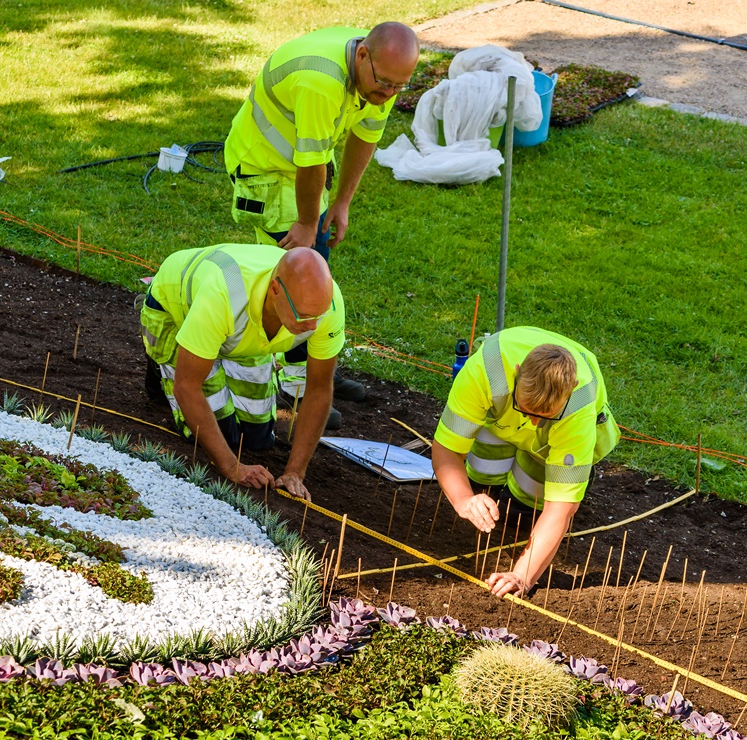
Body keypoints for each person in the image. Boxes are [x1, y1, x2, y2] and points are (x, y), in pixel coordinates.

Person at [224, 22, 419, 411]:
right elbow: (310, 165)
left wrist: (342, 203)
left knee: (316, 265)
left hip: (301, 168)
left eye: (399, 87)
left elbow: (365, 137)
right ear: (362, 55)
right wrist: (307, 224)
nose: (389, 94)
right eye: (385, 84)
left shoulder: (385, 73)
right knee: (296, 270)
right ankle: (295, 381)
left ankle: (314, 368)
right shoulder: (321, 82)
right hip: (262, 167)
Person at [140, 244, 344, 501]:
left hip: (239, 333)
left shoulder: (327, 304)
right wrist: (232, 468)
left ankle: (219, 357)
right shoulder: (224, 292)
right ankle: (158, 368)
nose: (313, 326)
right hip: (175, 311)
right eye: (303, 316)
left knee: (258, 439)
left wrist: (295, 472)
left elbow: (319, 388)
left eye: (319, 315)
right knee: (223, 435)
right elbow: (187, 386)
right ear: (275, 290)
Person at [431, 327, 620, 598]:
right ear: (517, 372)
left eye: (544, 415)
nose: (532, 422)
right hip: (498, 422)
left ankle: (518, 495)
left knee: (523, 506)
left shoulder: (579, 408)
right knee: (480, 478)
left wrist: (522, 575)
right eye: (526, 409)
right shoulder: (484, 372)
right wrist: (463, 500)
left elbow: (561, 508)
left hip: (552, 440)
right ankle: (489, 485)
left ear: (571, 391)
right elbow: (447, 450)